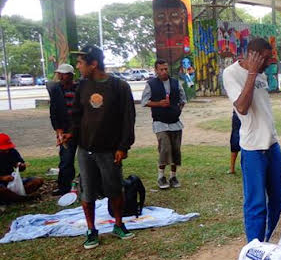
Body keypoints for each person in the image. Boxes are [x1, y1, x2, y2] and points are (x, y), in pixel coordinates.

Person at [61, 45, 136, 249]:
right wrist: (70, 133)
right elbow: (77, 116)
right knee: (87, 191)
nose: (78, 67)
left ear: (93, 64)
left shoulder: (119, 87)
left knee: (114, 189)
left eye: (80, 63)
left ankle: (119, 224)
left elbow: (128, 119)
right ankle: (91, 230)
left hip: (110, 150)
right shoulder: (82, 87)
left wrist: (123, 146)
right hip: (86, 150)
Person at [223, 38, 281, 242]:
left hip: (272, 146)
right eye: (266, 58)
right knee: (256, 204)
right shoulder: (231, 73)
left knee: (278, 200)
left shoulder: (262, 75)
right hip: (253, 150)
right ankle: (254, 250)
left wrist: (256, 72)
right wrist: (251, 73)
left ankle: (272, 244)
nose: (270, 62)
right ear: (253, 55)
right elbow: (241, 107)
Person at [141, 59, 186, 189]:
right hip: (160, 122)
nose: (164, 71)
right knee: (165, 148)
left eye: (166, 69)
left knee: (175, 149)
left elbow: (183, 100)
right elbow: (144, 102)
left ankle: (173, 176)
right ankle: (161, 176)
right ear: (156, 70)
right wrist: (159, 104)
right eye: (161, 69)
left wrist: (178, 110)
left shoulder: (175, 83)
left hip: (175, 123)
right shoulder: (151, 84)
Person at [47, 63, 78, 196]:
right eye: (59, 74)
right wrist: (58, 130)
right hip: (65, 129)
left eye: (63, 74)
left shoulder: (80, 88)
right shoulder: (56, 89)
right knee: (66, 160)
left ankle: (91, 185)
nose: (60, 76)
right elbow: (53, 111)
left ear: (70, 75)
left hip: (81, 128)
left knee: (89, 158)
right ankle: (64, 187)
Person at [0, 134, 44, 204]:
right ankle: (21, 198)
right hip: (2, 182)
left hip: (11, 180)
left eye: (8, 148)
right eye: (3, 149)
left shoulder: (12, 151)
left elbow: (21, 168)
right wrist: (2, 178)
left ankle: (12, 197)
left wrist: (21, 166)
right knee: (2, 189)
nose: (6, 151)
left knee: (37, 180)